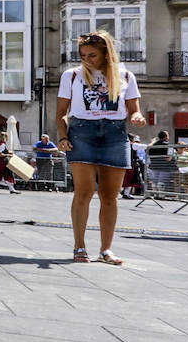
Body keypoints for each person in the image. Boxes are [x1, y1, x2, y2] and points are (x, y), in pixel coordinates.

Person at [56, 30, 144, 264]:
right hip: (82, 132)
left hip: (115, 134)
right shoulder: (71, 76)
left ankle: (106, 250)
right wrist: (63, 137)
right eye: (83, 55)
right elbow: (61, 113)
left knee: (109, 196)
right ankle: (79, 247)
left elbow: (134, 109)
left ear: (107, 54)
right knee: (83, 192)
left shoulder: (125, 75)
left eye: (92, 55)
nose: (86, 59)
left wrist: (137, 117)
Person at [121, 134, 146, 199]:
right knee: (130, 178)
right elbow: (145, 146)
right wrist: (153, 142)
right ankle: (126, 193)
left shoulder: (123, 144)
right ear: (132, 139)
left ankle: (125, 192)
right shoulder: (133, 145)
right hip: (131, 163)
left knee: (127, 178)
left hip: (124, 163)